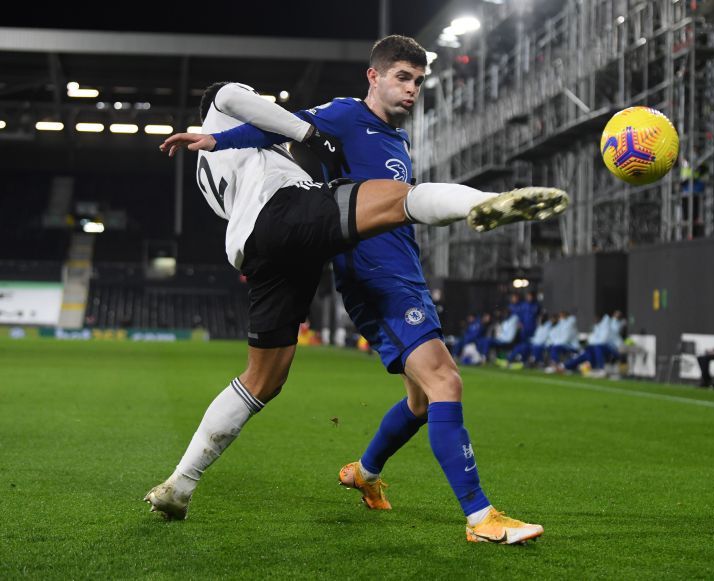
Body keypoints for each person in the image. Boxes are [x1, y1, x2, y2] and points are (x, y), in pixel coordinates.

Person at [151, 75, 566, 544]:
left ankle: (179, 484)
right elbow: (231, 97)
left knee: (262, 380)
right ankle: (489, 203)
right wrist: (307, 135)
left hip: (258, 249)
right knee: (398, 196)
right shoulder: (225, 104)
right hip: (287, 211)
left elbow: (250, 155)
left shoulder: (206, 162)